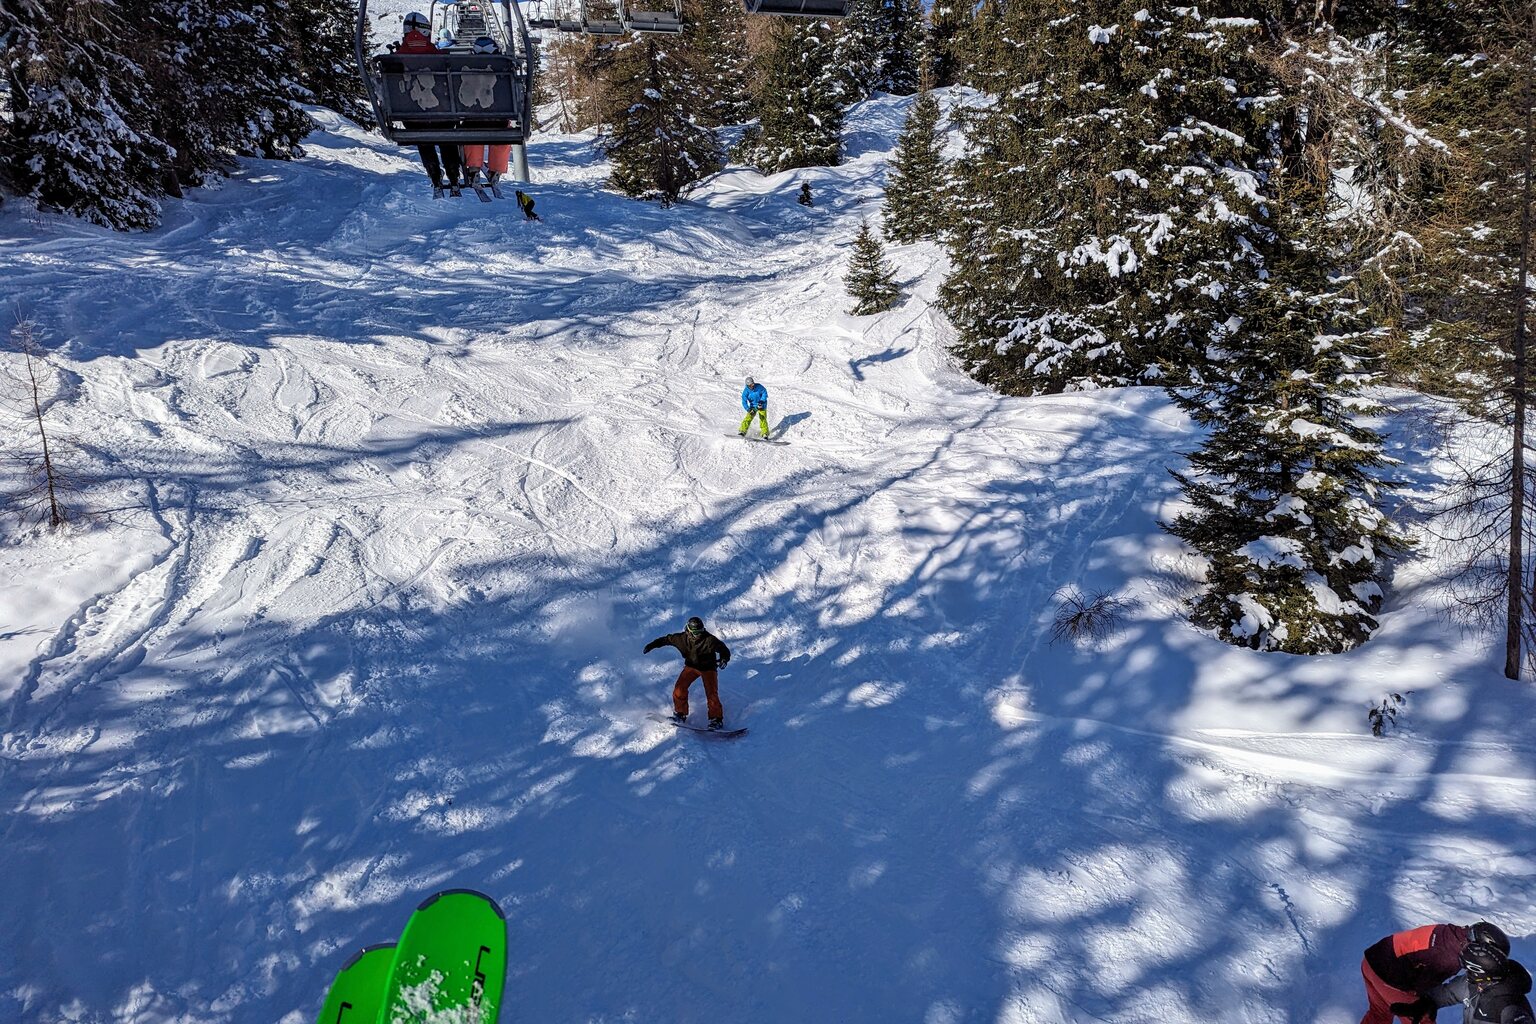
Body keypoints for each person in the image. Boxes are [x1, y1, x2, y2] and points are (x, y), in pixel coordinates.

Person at [1361, 922, 1509, 1024]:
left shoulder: (1455, 934)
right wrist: (1424, 1001)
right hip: (1388, 977)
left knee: (1379, 1013)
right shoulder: (1449, 958)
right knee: (1421, 1018)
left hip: (1371, 960)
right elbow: (1423, 988)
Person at [396, 13, 464, 194]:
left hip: (413, 119)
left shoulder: (396, 59)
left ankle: (433, 172)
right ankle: (453, 172)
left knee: (423, 136)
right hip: (444, 116)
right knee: (446, 133)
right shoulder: (439, 57)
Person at [1392, 939, 1533, 1024]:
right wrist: (1426, 1002)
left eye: (1470, 970)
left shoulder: (1510, 1007)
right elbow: (1448, 993)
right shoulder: (1473, 983)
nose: (1466, 973)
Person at [643, 616, 730, 729]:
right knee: (679, 689)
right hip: (691, 667)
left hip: (708, 668)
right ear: (688, 630)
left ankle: (716, 719)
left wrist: (724, 659)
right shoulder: (681, 639)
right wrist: (651, 646)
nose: (698, 634)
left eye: (700, 631)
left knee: (711, 693)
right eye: (695, 632)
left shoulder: (709, 640)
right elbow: (666, 640)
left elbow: (723, 649)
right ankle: (680, 714)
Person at [460, 38, 512, 189]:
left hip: (472, 120)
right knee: (503, 130)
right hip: (498, 121)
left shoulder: (465, 68)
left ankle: (474, 168)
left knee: (472, 128)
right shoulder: (504, 68)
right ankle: (496, 170)